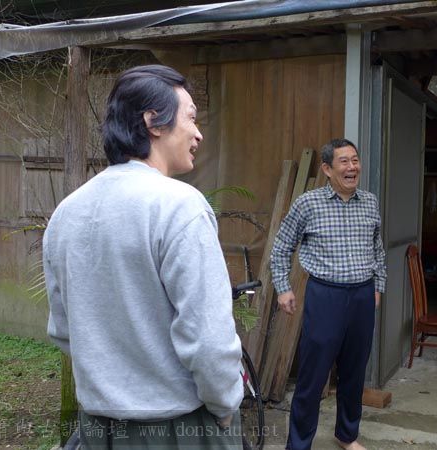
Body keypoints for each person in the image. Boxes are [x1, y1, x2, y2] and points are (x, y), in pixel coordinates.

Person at [44, 65, 243, 448]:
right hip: (176, 429)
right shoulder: (180, 206)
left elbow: (64, 330)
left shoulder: (66, 212)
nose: (198, 133)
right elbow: (208, 341)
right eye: (191, 117)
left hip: (97, 429)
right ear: (153, 121)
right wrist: (224, 405)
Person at [270, 138, 386, 450]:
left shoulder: (370, 202)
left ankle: (347, 435)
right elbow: (281, 247)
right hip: (325, 296)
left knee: (354, 372)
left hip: (362, 296)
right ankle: (298, 444)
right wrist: (283, 288)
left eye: (355, 160)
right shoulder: (307, 204)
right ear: (327, 169)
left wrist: (378, 286)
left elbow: (377, 249)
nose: (352, 167)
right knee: (313, 376)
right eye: (344, 161)